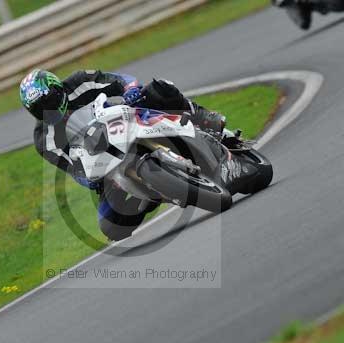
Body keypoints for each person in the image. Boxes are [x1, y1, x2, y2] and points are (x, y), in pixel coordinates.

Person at [19, 69, 230, 241]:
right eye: (40, 109)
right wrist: (90, 180)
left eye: (50, 100)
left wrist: (131, 91)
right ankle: (151, 196)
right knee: (110, 226)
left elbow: (121, 80)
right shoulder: (43, 140)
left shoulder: (81, 81)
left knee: (157, 89)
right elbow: (73, 169)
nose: (49, 109)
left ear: (58, 88)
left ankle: (202, 116)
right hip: (102, 162)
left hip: (124, 118)